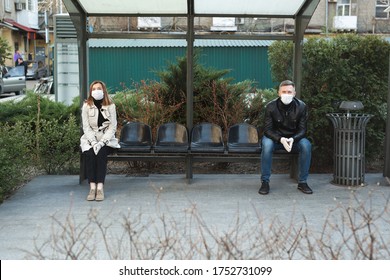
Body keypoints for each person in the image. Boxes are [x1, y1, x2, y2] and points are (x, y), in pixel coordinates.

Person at [259, 80, 313, 195]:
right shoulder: (270, 106)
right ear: (278, 93)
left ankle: (302, 182)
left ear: (294, 93)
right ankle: (265, 182)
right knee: (267, 145)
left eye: (289, 92)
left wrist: (293, 139)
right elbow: (267, 130)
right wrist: (281, 139)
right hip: (275, 139)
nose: (286, 94)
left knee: (306, 145)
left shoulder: (302, 106)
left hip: (294, 139)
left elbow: (303, 130)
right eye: (284, 91)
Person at [80, 80, 120, 201]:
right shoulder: (86, 106)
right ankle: (92, 187)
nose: (96, 91)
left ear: (104, 90)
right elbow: (86, 127)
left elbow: (113, 127)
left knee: (101, 154)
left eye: (99, 88)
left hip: (106, 139)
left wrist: (102, 142)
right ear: (91, 91)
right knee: (91, 154)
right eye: (94, 89)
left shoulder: (111, 106)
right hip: (89, 139)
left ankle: (100, 188)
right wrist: (93, 142)